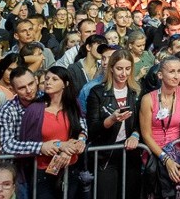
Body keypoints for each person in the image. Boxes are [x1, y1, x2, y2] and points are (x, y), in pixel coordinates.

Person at [19, 66, 87, 199]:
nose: (48, 82)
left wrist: (81, 141)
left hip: (70, 168)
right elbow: (25, 141)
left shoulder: (73, 104)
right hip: (43, 171)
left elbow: (82, 128)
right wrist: (56, 146)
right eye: (47, 79)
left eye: (54, 79)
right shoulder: (35, 109)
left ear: (65, 84)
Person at [86, 49, 141, 199]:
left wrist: (135, 135)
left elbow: (139, 123)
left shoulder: (135, 92)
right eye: (119, 68)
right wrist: (111, 120)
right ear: (111, 68)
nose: (124, 73)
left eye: (128, 69)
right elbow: (92, 129)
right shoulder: (97, 92)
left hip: (130, 155)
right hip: (105, 155)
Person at [139, 55, 180, 199]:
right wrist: (166, 159)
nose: (177, 76)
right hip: (155, 154)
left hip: (179, 153)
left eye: (179, 71)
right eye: (172, 72)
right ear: (160, 75)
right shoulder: (148, 99)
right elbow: (146, 135)